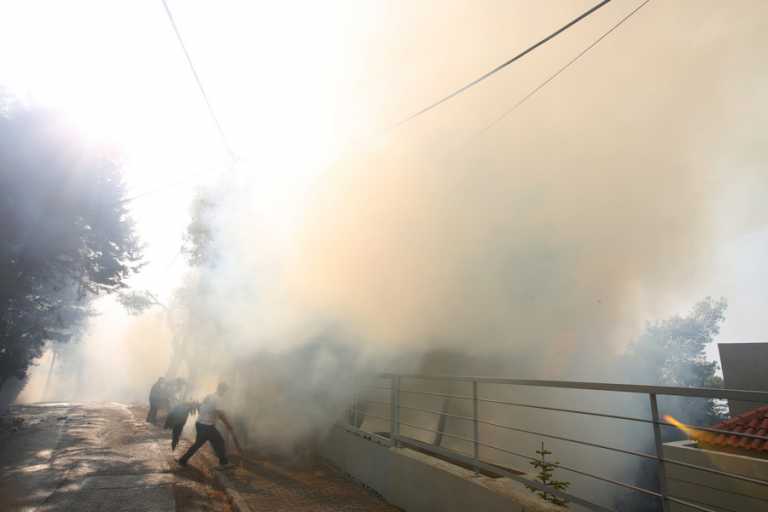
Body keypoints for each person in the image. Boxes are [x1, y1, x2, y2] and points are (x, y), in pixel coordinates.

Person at [177, 382, 239, 468]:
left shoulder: (210, 396)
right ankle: (223, 463)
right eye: (225, 390)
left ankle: (183, 460)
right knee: (220, 442)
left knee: (203, 443)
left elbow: (202, 407)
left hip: (200, 424)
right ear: (223, 390)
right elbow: (220, 414)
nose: (226, 393)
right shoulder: (218, 399)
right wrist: (228, 425)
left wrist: (205, 415)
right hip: (207, 426)